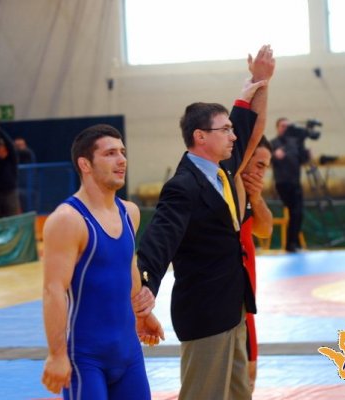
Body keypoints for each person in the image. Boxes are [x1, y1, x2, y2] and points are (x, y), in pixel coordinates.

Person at [135, 45, 275, 400]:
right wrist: (146, 288)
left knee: (238, 394)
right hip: (205, 312)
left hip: (233, 307)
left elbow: (252, 126)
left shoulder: (223, 169)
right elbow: (159, 240)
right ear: (201, 136)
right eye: (224, 130)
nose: (232, 135)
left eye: (230, 129)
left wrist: (260, 81)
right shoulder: (182, 187)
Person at [41, 124, 165, 399]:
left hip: (129, 354)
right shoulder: (68, 220)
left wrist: (142, 314)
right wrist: (57, 354)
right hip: (85, 360)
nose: (122, 160)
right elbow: (53, 290)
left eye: (122, 152)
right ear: (85, 164)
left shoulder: (129, 212)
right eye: (110, 153)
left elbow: (128, 268)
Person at [238, 136, 274, 392]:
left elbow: (265, 230)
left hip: (246, 302)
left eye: (265, 167)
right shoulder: (225, 189)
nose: (262, 173)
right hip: (226, 299)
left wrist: (257, 198)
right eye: (259, 165)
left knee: (248, 377)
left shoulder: (250, 195)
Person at [270, 117, 310, 252]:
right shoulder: (273, 143)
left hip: (295, 182)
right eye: (282, 126)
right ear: (277, 128)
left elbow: (302, 159)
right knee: (295, 211)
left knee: (298, 212)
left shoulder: (295, 143)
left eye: (287, 126)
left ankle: (293, 242)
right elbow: (265, 159)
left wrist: (306, 153)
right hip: (282, 182)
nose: (285, 128)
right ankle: (291, 243)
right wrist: (274, 155)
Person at [14, 137, 37, 213]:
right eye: (17, 146)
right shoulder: (12, 156)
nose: (20, 147)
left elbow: (24, 152)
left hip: (28, 186)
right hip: (16, 186)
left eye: (21, 145)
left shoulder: (28, 153)